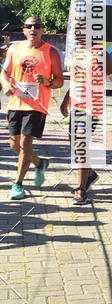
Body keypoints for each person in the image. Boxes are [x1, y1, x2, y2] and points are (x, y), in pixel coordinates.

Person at [60, 46, 112, 205]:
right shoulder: (75, 52)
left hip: (93, 108)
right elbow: (76, 80)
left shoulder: (100, 54)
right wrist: (66, 100)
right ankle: (90, 174)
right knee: (74, 145)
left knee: (80, 144)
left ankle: (81, 189)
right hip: (76, 106)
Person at [1, 15, 64, 199]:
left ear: (42, 29)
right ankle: (39, 163)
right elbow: (4, 73)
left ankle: (18, 184)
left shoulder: (51, 52)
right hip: (16, 103)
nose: (33, 29)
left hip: (37, 105)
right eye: (29, 26)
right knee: (14, 144)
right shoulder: (14, 48)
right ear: (23, 30)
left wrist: (48, 82)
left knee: (25, 143)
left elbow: (59, 80)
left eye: (37, 26)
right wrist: (5, 85)